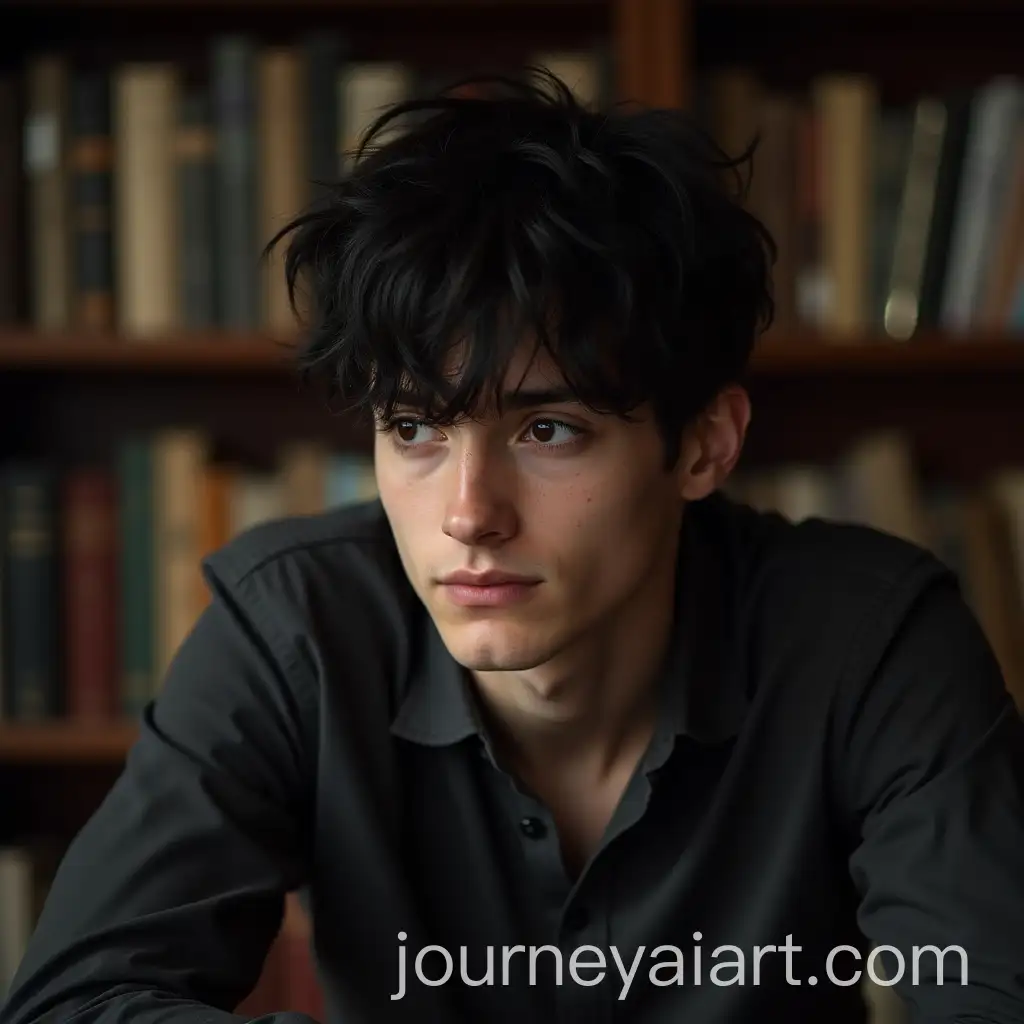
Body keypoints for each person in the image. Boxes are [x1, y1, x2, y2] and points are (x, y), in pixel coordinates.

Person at [2, 70, 1023, 1024]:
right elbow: (76, 1001)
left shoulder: (868, 637)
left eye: (547, 431)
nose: (466, 512)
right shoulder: (296, 628)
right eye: (414, 430)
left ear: (704, 443)